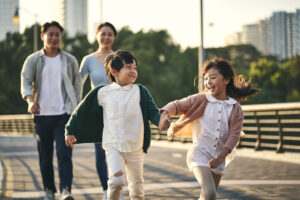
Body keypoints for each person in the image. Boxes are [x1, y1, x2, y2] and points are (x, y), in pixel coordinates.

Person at [65, 50, 161, 200]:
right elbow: (81, 111)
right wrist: (70, 130)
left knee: (137, 190)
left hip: (136, 147)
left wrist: (162, 121)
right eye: (128, 67)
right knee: (116, 182)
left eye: (135, 67)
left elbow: (153, 112)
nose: (133, 71)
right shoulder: (103, 92)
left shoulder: (140, 91)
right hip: (113, 146)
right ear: (114, 71)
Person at [159, 57, 258, 200]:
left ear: (226, 80)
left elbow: (234, 135)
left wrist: (221, 156)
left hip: (219, 156)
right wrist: (165, 113)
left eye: (213, 77)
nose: (208, 82)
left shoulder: (235, 108)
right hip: (199, 152)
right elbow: (178, 105)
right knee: (210, 192)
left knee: (207, 196)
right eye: (206, 79)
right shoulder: (201, 99)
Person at [20, 21, 81, 200]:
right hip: (41, 115)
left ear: (61, 37)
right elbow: (25, 81)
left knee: (64, 154)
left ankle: (65, 191)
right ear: (43, 36)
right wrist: (31, 101)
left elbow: (77, 84)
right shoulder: (33, 59)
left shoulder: (69, 60)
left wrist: (76, 109)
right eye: (50, 34)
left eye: (57, 35)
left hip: (64, 115)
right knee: (45, 157)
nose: (54, 38)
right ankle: (49, 191)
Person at [79, 22, 118, 200]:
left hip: (118, 110)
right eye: (103, 34)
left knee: (118, 150)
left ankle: (117, 188)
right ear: (97, 36)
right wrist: (81, 107)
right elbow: (77, 83)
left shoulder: (119, 57)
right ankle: (106, 190)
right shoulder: (88, 59)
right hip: (97, 111)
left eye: (109, 34)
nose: (106, 37)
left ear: (114, 37)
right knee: (100, 152)